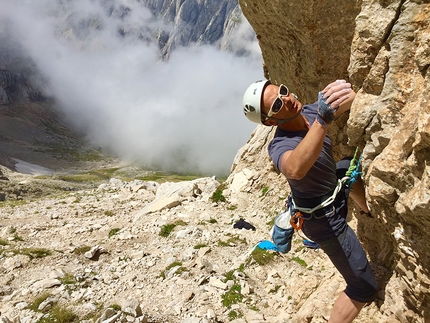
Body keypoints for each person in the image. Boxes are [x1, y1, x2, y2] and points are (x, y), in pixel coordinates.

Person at [242, 79, 378, 323]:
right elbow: (294, 169)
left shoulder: (310, 111)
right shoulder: (280, 144)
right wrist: (323, 121)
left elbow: (349, 99)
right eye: (275, 105)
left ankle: (368, 212)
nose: (285, 99)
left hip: (332, 194)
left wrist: (341, 94)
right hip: (324, 222)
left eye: (282, 91)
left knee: (348, 165)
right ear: (270, 121)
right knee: (363, 287)